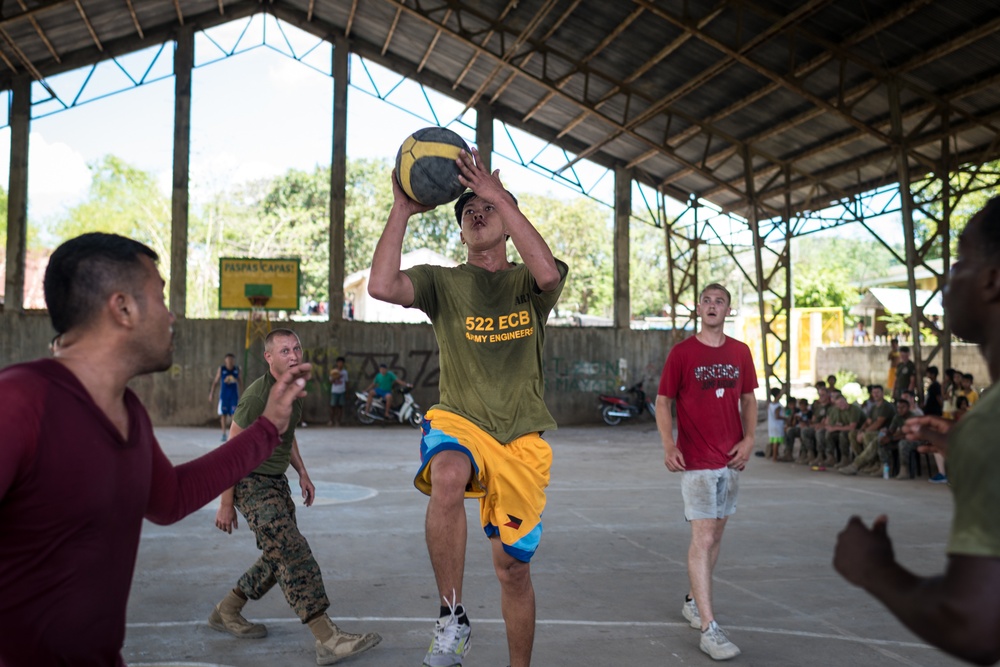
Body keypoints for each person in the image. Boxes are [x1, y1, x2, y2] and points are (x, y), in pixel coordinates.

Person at [0, 233, 311, 667]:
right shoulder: (19, 401)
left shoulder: (128, 411)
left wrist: (268, 428)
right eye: (161, 296)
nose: (172, 313)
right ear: (123, 307)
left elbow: (170, 499)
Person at [367, 146, 567, 667]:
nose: (476, 214)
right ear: (459, 231)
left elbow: (548, 274)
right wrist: (402, 211)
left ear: (508, 220)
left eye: (488, 209)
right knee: (448, 475)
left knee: (512, 571)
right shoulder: (444, 282)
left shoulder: (530, 282)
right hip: (461, 419)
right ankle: (451, 616)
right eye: (468, 212)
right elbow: (381, 285)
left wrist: (498, 193)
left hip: (521, 438)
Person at [834, 196, 1000, 666]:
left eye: (961, 262)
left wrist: (874, 569)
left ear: (993, 280)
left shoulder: (991, 424)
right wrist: (964, 448)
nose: (947, 284)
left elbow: (976, 623)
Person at [210, 329, 381, 665]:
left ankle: (227, 610)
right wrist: (225, 502)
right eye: (284, 350)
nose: (293, 355)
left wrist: (302, 471)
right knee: (292, 552)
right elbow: (230, 449)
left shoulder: (293, 389)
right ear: (268, 358)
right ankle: (327, 638)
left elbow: (287, 437)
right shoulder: (259, 396)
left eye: (296, 348)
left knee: (277, 556)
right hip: (250, 482)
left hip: (276, 482)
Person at [655, 283, 758, 661]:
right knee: (702, 538)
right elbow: (663, 401)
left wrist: (749, 439)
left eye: (720, 301)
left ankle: (693, 600)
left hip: (731, 460)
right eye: (707, 300)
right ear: (698, 308)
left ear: (729, 310)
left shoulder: (740, 352)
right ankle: (708, 628)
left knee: (714, 537)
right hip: (696, 461)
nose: (713, 306)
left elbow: (748, 398)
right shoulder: (682, 353)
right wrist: (669, 444)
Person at [209, 352, 243, 441]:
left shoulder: (237, 369)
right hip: (224, 396)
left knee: (234, 416)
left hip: (233, 396)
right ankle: (224, 434)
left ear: (233, 361)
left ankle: (233, 434)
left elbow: (240, 382)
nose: (230, 361)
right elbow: (215, 382)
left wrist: (243, 394)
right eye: (228, 360)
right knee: (223, 415)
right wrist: (211, 393)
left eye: (231, 360)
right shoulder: (221, 369)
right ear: (225, 360)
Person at [328, 356, 348, 426]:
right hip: (334, 391)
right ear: (337, 363)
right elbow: (330, 381)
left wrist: (346, 392)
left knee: (340, 407)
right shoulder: (333, 371)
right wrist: (335, 377)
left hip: (342, 390)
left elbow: (346, 382)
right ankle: (331, 420)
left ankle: (338, 421)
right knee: (333, 406)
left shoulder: (345, 372)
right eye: (339, 363)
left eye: (341, 363)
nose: (340, 364)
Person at [766, 387, 785, 461]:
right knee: (776, 442)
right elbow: (777, 416)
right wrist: (786, 418)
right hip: (777, 425)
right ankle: (775, 457)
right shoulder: (777, 406)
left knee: (773, 441)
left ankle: (774, 455)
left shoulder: (770, 404)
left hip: (771, 425)